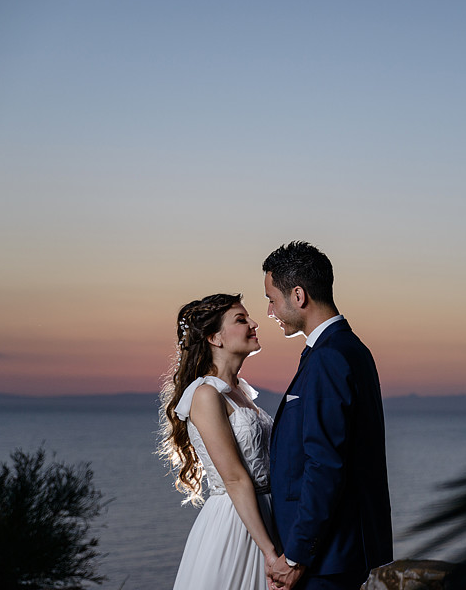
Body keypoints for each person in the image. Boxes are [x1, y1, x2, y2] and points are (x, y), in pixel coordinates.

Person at [262, 241, 393, 590]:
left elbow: (325, 463)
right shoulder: (350, 349)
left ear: (299, 295)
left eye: (272, 300)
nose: (270, 312)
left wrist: (297, 555)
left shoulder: (329, 357)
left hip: (325, 556)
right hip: (340, 550)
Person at [158, 293, 282, 590]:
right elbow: (236, 479)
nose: (254, 323)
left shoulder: (240, 391)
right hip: (236, 524)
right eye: (241, 320)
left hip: (266, 514)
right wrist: (269, 552)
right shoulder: (205, 395)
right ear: (215, 338)